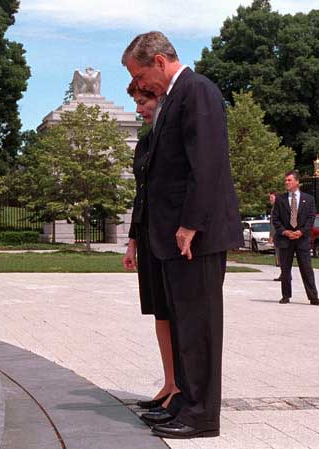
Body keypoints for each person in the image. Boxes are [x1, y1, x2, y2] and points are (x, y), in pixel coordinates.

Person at [121, 31, 243, 439]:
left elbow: (206, 163)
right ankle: (183, 403)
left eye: (140, 76)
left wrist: (190, 224)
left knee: (200, 328)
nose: (139, 86)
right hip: (175, 238)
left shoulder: (197, 91)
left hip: (197, 236)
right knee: (184, 326)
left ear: (159, 61)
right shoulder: (175, 97)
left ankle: (202, 415)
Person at [123, 80, 180, 411]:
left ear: (159, 99)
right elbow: (140, 195)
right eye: (136, 102)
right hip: (147, 235)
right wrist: (132, 242)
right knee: (159, 311)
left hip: (169, 235)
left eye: (144, 101)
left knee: (174, 312)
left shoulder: (169, 137)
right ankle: (169, 383)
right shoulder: (144, 141)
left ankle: (181, 387)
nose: (139, 108)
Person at [271, 170, 319, 305]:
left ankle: (313, 297)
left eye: (289, 180)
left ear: (297, 182)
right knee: (285, 269)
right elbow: (275, 219)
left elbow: (311, 218)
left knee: (306, 269)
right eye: (285, 180)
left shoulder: (309, 199)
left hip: (302, 240)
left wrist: (301, 232)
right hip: (285, 240)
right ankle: (286, 296)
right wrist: (285, 232)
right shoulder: (280, 199)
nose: (286, 182)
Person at [268, 191, 282, 281]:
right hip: (279, 234)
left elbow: (274, 224)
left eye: (272, 198)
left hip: (278, 235)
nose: (270, 200)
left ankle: (285, 274)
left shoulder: (276, 209)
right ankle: (284, 273)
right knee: (280, 254)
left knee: (280, 254)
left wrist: (271, 236)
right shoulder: (277, 208)